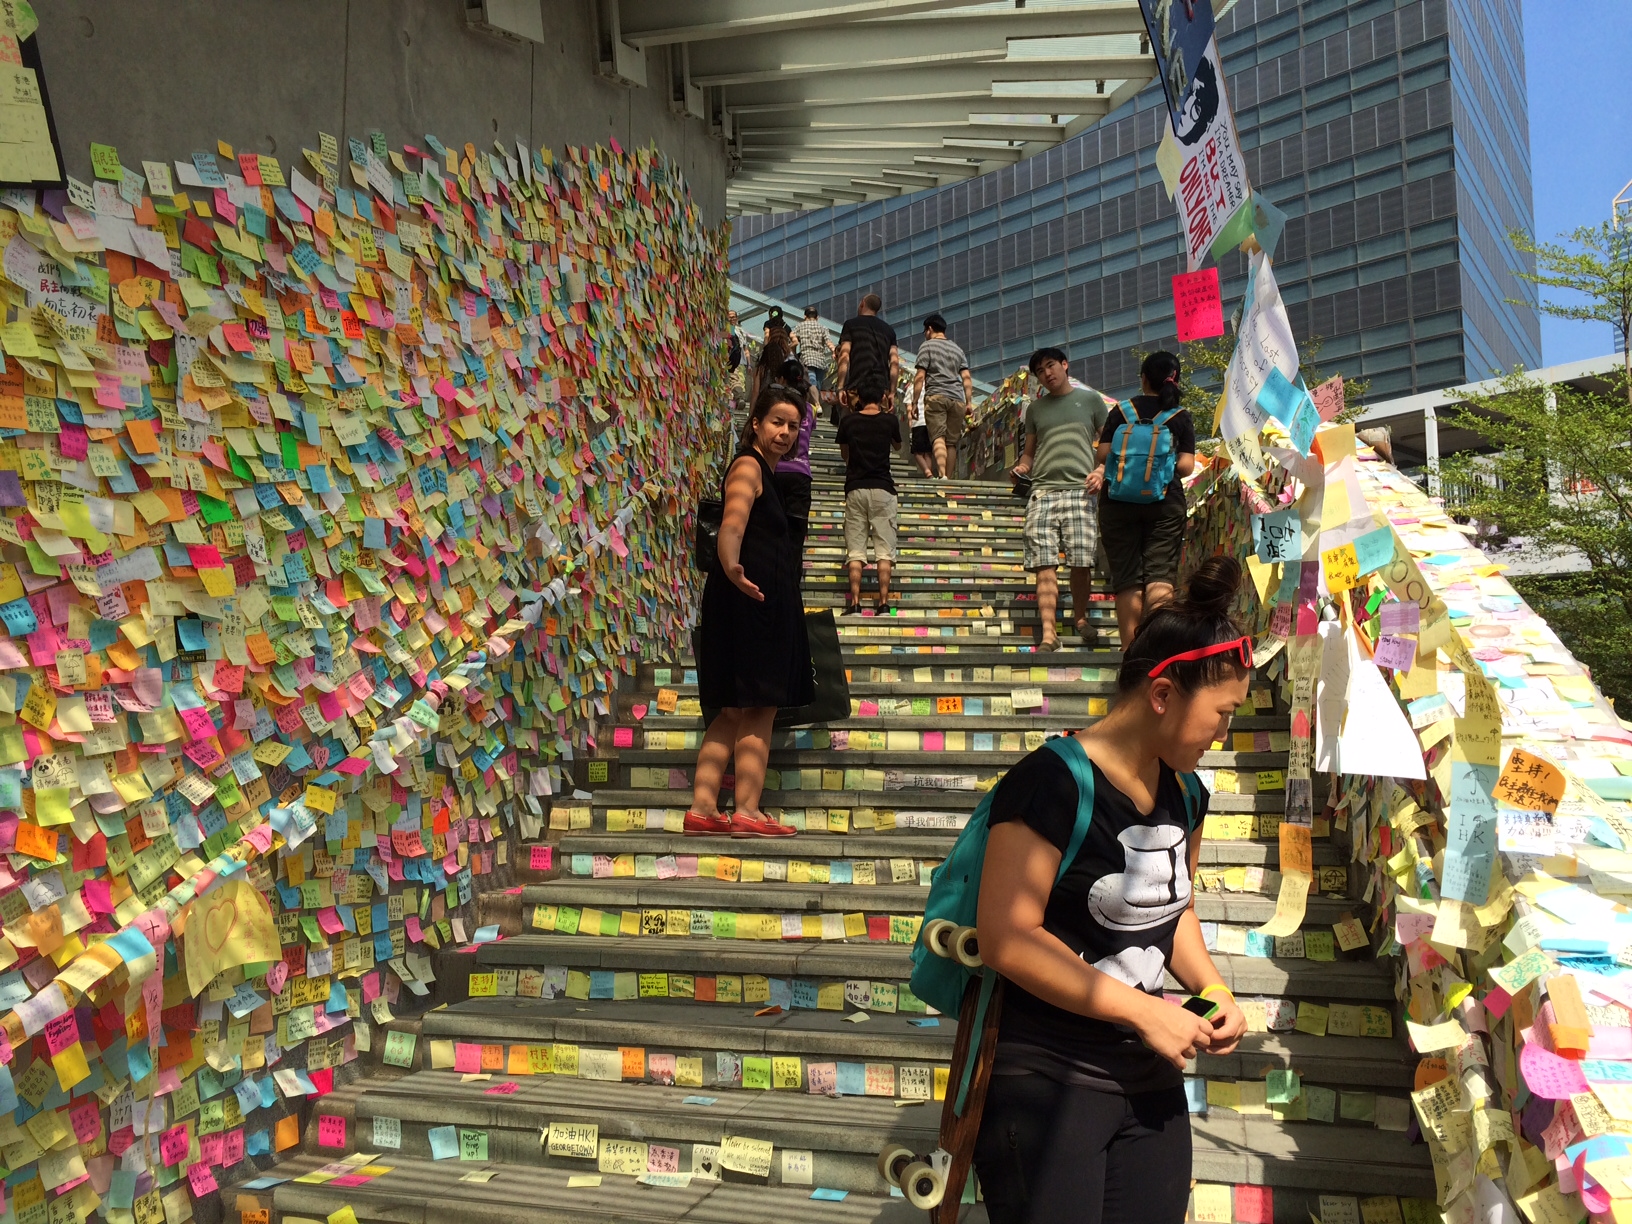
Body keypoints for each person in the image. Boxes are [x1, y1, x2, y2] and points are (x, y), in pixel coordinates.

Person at [971, 557, 1252, 1224]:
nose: (1225, 735)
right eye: (1221, 714)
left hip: (1148, 1077)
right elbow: (1006, 938)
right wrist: (1144, 1012)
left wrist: (1213, 989)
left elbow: (1175, 907)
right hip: (1047, 1077)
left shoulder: (1187, 792)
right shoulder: (1050, 783)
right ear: (1163, 695)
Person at [687, 386, 812, 840]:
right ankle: (747, 810)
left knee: (731, 712)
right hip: (753, 603)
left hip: (747, 599)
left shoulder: (766, 472)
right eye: (777, 421)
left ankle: (703, 808)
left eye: (793, 425)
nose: (785, 432)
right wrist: (731, 567)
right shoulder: (748, 466)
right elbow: (732, 523)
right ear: (755, 423)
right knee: (760, 707)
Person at [1011, 347, 1111, 651]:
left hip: (1081, 491)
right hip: (1042, 492)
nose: (1047, 374)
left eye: (1051, 365)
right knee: (1044, 564)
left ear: (1065, 365)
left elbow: (1110, 443)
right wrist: (1021, 468)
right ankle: (1049, 633)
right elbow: (1029, 453)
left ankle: (1080, 618)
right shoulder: (1035, 409)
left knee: (1081, 562)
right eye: (1040, 371)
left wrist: (1101, 469)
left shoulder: (1091, 401)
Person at [1097, 351, 1198, 647]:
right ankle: (1157, 653)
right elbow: (1186, 466)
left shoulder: (1121, 410)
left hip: (1117, 502)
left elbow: (1102, 454)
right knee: (1160, 576)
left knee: (1127, 580)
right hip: (1165, 503)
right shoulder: (1180, 416)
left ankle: (1129, 655)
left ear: (1143, 378)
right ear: (1174, 380)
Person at [835, 372, 901, 616]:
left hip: (855, 488)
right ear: (883, 396)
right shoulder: (889, 421)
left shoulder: (848, 422)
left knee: (855, 550)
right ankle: (883, 604)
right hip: (883, 488)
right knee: (884, 551)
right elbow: (898, 445)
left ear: (859, 397)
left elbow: (845, 455)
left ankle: (854, 603)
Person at [913, 313, 974, 479]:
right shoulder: (957, 349)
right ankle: (949, 479)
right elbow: (966, 378)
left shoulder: (927, 346)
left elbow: (920, 377)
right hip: (958, 400)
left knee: (938, 437)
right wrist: (969, 402)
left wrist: (914, 402)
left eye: (925, 332)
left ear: (929, 329)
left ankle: (941, 476)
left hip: (936, 396)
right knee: (951, 442)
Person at [770, 357, 816, 571]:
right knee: (796, 539)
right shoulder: (809, 410)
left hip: (776, 471)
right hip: (801, 476)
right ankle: (791, 582)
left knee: (771, 533)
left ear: (781, 380)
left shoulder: (776, 406)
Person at [834, 293, 899, 412]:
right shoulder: (889, 330)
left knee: (857, 422)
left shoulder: (851, 325)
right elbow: (894, 362)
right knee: (880, 423)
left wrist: (840, 387)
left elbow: (844, 355)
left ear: (862, 303)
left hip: (857, 387)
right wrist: (892, 392)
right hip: (881, 390)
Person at [794, 305, 833, 389]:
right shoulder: (823, 328)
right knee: (818, 386)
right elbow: (829, 342)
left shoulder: (800, 326)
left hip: (807, 359)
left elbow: (794, 341)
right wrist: (834, 351)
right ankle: (816, 396)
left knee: (811, 383)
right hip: (821, 361)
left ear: (805, 316)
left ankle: (813, 397)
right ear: (817, 317)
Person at [906, 375, 935, 478]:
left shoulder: (911, 388)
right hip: (931, 422)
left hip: (918, 422)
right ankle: (929, 475)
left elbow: (909, 409)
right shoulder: (931, 387)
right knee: (928, 452)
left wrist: (910, 423)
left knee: (917, 452)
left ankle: (927, 473)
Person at [726, 310, 750, 413]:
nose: (732, 319)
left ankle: (737, 401)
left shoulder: (740, 331)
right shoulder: (729, 328)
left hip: (740, 361)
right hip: (732, 360)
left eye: (733, 317)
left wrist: (749, 364)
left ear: (737, 318)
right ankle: (738, 400)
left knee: (738, 381)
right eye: (730, 317)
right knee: (734, 380)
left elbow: (746, 349)